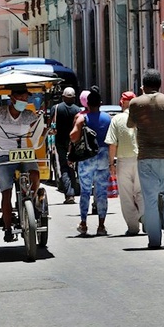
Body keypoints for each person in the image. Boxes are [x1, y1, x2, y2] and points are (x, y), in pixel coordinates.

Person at [0, 84, 42, 242]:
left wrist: (47, 128)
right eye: (21, 98)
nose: (24, 101)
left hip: (24, 154)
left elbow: (39, 129)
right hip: (3, 154)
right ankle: (7, 229)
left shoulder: (28, 114)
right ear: (12, 98)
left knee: (35, 174)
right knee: (6, 193)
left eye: (26, 98)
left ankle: (31, 201)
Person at [127, 69, 164, 249]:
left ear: (143, 86)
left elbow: (130, 124)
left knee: (150, 199)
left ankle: (154, 239)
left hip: (146, 156)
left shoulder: (136, 103)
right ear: (160, 84)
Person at [70, 87, 113, 236]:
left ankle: (83, 223)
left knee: (85, 192)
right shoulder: (108, 118)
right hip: (103, 157)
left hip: (87, 159)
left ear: (87, 104)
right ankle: (101, 226)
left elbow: (73, 136)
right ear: (100, 103)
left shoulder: (83, 118)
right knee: (101, 193)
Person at [106, 91, 143, 236]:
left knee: (126, 195)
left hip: (123, 161)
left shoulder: (117, 119)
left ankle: (133, 227)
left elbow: (112, 144)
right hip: (141, 160)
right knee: (141, 192)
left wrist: (111, 164)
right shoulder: (142, 117)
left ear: (123, 103)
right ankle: (146, 218)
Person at [50, 87, 81, 204]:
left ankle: (69, 194)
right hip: (73, 142)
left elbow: (51, 124)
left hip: (60, 142)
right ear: (73, 98)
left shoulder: (56, 108)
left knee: (63, 167)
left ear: (63, 97)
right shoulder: (78, 110)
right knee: (72, 166)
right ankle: (74, 190)